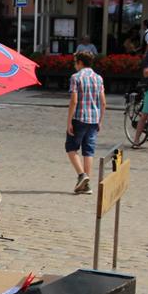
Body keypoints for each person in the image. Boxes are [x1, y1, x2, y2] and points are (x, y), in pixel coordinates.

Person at [66, 51, 106, 194]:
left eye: (75, 62)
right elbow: (103, 102)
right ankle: (86, 185)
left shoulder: (76, 77)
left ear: (80, 63)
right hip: (94, 119)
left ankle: (82, 175)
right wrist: (100, 120)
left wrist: (69, 121)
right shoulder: (98, 78)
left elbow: (74, 101)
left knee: (71, 148)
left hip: (79, 117)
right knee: (88, 151)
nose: (74, 65)